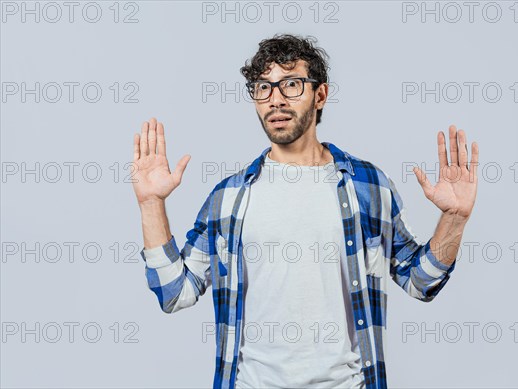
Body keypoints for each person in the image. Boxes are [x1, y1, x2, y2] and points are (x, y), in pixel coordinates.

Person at [131, 33, 478, 389]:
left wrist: (455, 218)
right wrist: (151, 204)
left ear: (320, 95)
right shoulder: (228, 198)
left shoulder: (367, 186)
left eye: (291, 85)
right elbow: (174, 293)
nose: (275, 99)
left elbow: (422, 282)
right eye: (263, 87)